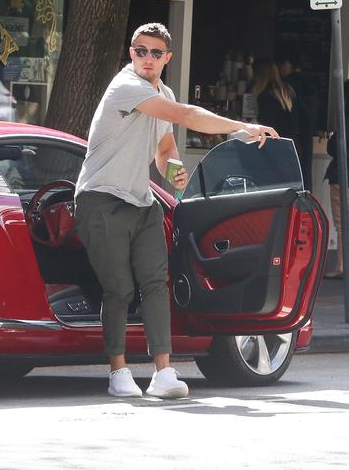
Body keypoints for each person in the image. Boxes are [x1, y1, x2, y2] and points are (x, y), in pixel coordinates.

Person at [74, 22, 278, 399]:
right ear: (130, 52)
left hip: (141, 201)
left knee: (156, 284)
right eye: (140, 50)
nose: (146, 58)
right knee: (118, 289)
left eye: (155, 53)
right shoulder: (125, 87)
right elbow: (188, 116)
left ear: (167, 58)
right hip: (100, 199)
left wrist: (175, 173)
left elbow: (164, 150)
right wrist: (242, 127)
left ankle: (163, 373)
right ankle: (118, 372)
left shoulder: (161, 91)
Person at [277, 50, 319, 192]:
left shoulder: (288, 84)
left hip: (292, 134)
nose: (280, 70)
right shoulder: (310, 83)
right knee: (305, 173)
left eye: (281, 65)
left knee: (292, 177)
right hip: (307, 133)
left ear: (288, 64)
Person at [323, 78, 349, 279]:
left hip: (341, 176)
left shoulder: (343, 124)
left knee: (341, 224)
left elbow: (332, 148)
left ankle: (341, 265)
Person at [251, 58, 298, 159]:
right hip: (291, 146)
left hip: (274, 149)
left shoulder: (265, 97)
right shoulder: (287, 92)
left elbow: (267, 127)